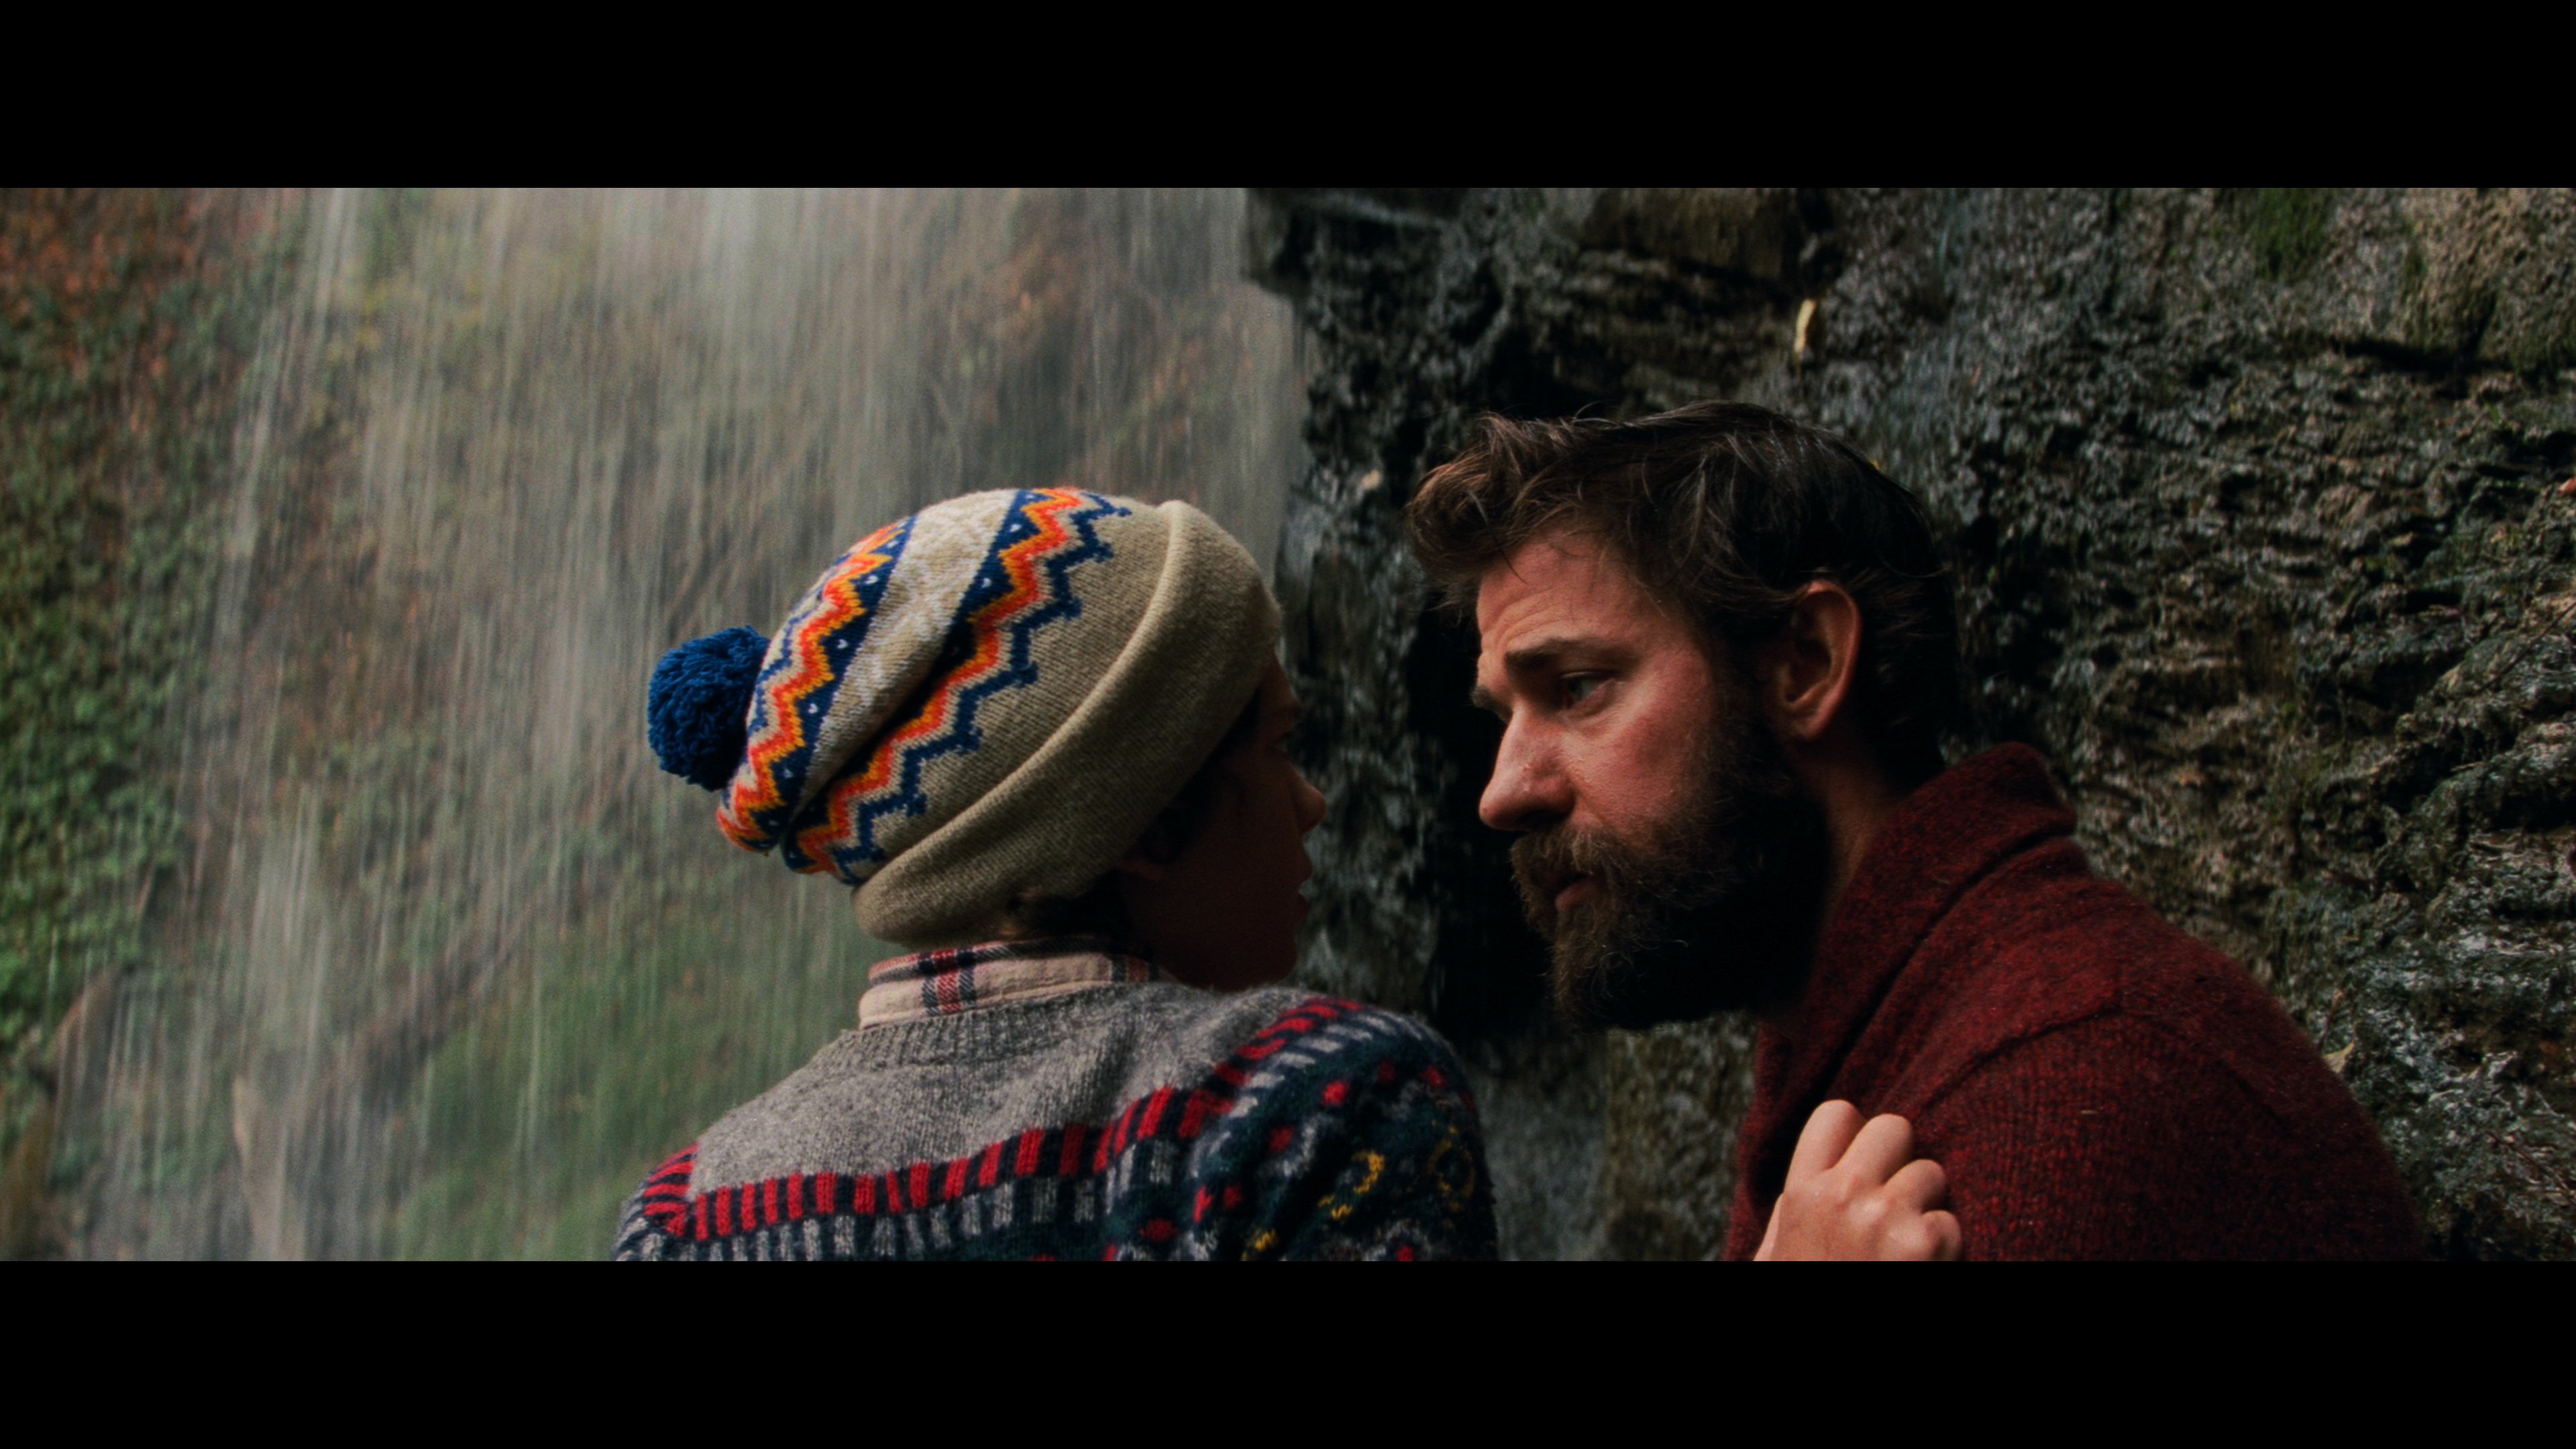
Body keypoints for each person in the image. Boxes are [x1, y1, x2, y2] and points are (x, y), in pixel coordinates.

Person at [615, 485, 1955, 1260]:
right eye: (1277, 747)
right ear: (1144, 821)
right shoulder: (1310, 1108)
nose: (1316, 809)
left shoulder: (685, 1214)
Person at [1407, 401, 2424, 1260]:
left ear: (1807, 663)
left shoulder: (2063, 1092)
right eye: (1505, 716)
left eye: (1578, 687)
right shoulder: (1889, 1043)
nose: (1503, 792)